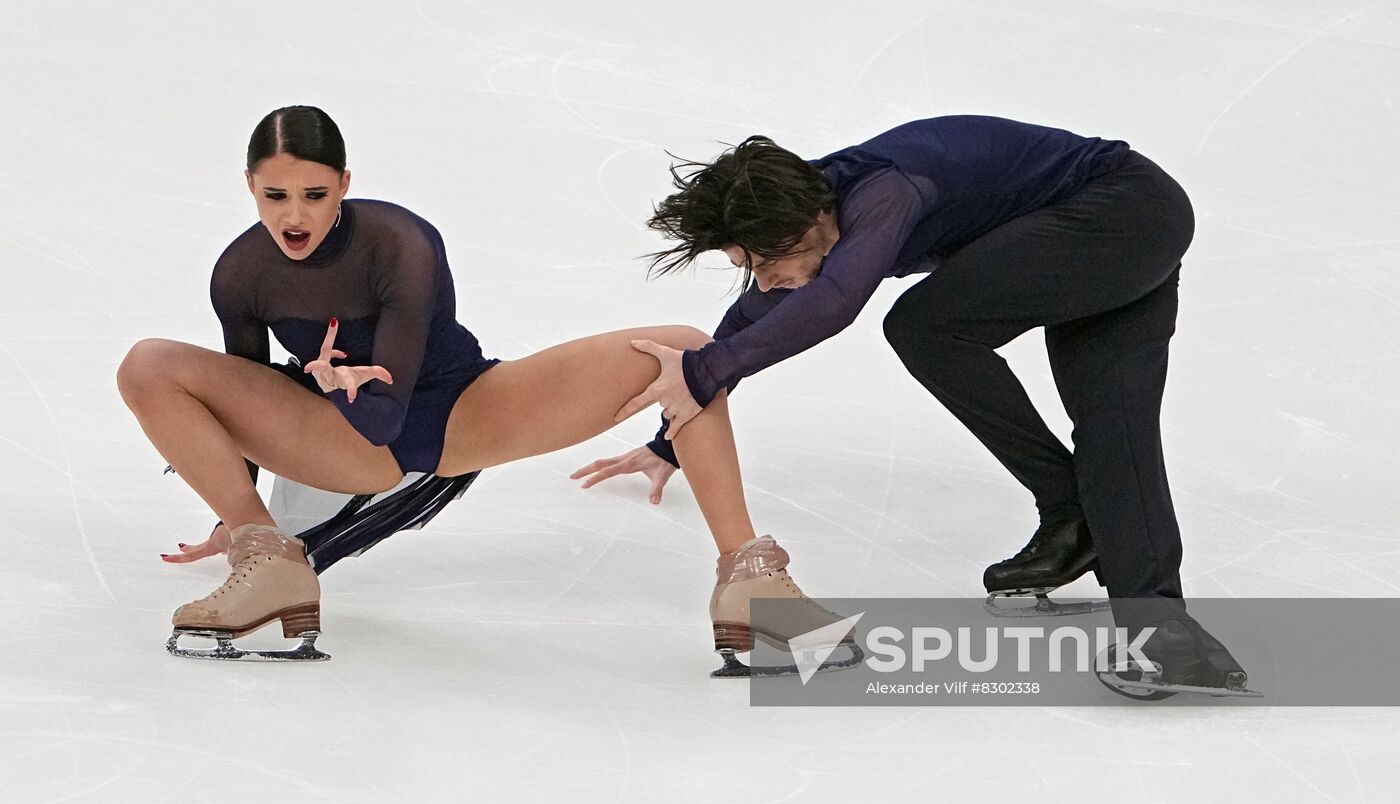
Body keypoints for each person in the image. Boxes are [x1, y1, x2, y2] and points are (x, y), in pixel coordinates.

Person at [116, 105, 859, 676]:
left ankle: (751, 583)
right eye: (275, 194)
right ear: (249, 186)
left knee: (685, 349)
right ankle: (268, 562)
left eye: (314, 193)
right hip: (342, 438)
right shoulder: (239, 274)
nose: (294, 214)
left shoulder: (401, 242)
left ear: (344, 184)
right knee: (149, 363)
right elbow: (246, 393)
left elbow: (389, 414)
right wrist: (237, 511)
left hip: (460, 412)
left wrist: (339, 384)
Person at [574, 115, 1252, 696]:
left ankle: (1075, 509)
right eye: (747, 266)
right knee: (1115, 431)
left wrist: (703, 372)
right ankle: (1166, 633)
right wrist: (670, 438)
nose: (763, 277)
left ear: (813, 218)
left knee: (924, 326)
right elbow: (747, 326)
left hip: (1121, 209)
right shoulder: (803, 213)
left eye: (765, 259)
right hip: (1126, 229)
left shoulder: (884, 193)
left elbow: (836, 303)